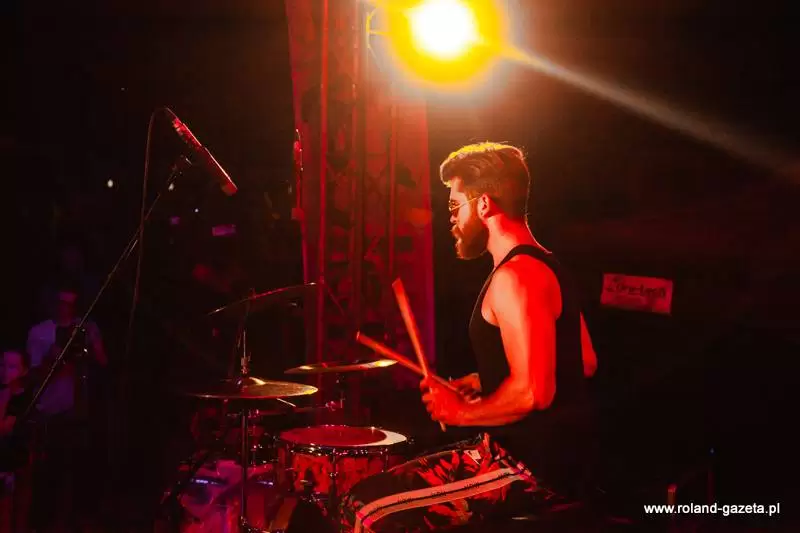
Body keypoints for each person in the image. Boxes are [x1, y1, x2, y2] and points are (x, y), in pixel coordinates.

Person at [340, 142, 599, 532]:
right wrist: (487, 382)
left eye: (454, 205)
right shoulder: (546, 264)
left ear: (484, 205)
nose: (450, 218)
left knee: (363, 510)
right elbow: (584, 362)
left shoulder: (515, 277)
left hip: (530, 468)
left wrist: (459, 412)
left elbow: (534, 393)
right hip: (542, 457)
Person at [25, 286, 108, 532]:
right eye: (61, 303)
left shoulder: (84, 329)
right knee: (49, 473)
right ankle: (45, 523)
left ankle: (76, 519)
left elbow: (103, 363)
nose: (66, 309)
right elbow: (32, 375)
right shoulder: (39, 333)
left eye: (71, 304)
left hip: (79, 410)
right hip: (48, 412)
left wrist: (93, 341)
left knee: (79, 470)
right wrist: (56, 356)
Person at [0, 349, 34, 533]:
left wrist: (5, 397)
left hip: (14, 463)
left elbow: (3, 428)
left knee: (11, 515)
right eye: (3, 365)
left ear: (24, 370)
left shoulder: (23, 399)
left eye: (12, 367)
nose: (5, 371)